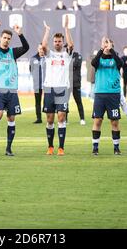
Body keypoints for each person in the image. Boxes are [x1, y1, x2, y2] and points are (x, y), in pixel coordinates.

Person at [0, 22, 29, 156]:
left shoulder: (13, 52)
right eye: (4, 38)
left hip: (12, 89)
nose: (6, 40)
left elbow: (26, 47)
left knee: (11, 118)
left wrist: (20, 33)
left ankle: (8, 148)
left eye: (9, 38)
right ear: (0, 38)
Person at [41, 17, 74, 156]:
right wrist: (47, 31)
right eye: (55, 41)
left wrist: (66, 28)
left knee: (61, 117)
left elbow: (71, 44)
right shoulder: (49, 54)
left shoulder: (67, 55)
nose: (57, 43)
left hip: (62, 89)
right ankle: (50, 146)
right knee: (49, 119)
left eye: (60, 41)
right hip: (49, 89)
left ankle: (61, 147)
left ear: (62, 42)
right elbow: (43, 46)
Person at [91, 36, 123, 156]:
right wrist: (101, 49)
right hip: (100, 94)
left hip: (113, 94)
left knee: (114, 122)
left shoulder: (115, 59)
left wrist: (111, 50)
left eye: (109, 45)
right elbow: (93, 63)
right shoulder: (98, 59)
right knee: (98, 120)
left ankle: (116, 147)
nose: (106, 47)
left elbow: (121, 63)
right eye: (105, 45)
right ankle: (95, 147)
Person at [30, 44, 46, 124]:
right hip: (37, 84)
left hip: (47, 84)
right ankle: (39, 118)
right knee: (37, 102)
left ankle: (49, 117)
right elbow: (31, 69)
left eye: (43, 49)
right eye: (40, 48)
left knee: (48, 101)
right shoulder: (33, 59)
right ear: (38, 49)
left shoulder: (48, 58)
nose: (41, 50)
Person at [70, 51, 85, 125]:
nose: (67, 49)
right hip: (66, 83)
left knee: (78, 101)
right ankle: (65, 119)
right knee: (64, 103)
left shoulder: (78, 56)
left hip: (76, 83)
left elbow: (75, 64)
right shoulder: (64, 56)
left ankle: (82, 119)